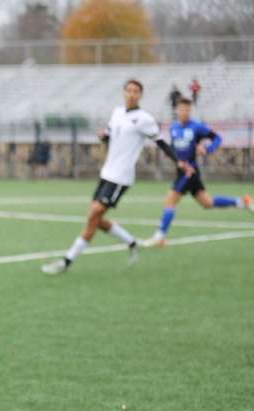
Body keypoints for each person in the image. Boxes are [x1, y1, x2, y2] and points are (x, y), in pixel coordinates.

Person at [42, 79, 189, 275]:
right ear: (123, 93)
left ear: (140, 95)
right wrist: (103, 136)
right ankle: (131, 242)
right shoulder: (117, 112)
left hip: (121, 177)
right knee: (94, 217)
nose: (131, 94)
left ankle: (67, 261)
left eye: (136, 91)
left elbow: (161, 142)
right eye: (128, 90)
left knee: (93, 215)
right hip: (106, 173)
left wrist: (177, 161)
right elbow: (109, 136)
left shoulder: (144, 119)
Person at [143, 97, 252, 248]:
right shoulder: (174, 128)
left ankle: (159, 236)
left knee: (170, 201)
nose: (184, 112)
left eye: (187, 109)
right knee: (207, 203)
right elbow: (174, 148)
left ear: (190, 110)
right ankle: (242, 202)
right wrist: (175, 159)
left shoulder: (197, 127)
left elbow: (217, 138)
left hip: (190, 171)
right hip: (181, 171)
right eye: (181, 109)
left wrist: (207, 149)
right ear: (177, 110)